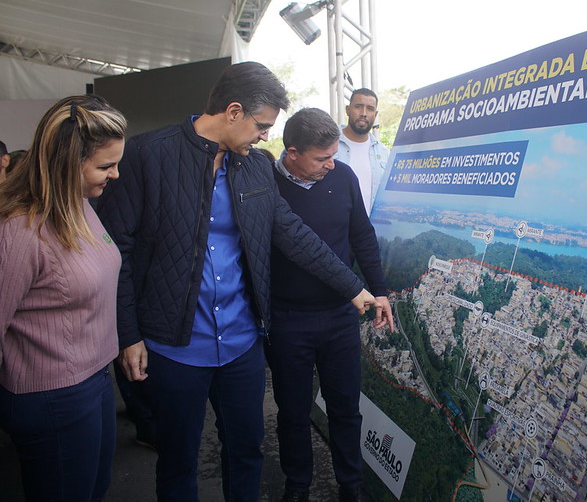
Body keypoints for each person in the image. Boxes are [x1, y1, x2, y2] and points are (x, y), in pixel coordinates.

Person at [95, 61, 380, 502]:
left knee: (247, 452)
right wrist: (127, 334)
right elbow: (118, 251)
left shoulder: (255, 167)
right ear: (232, 112)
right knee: (177, 461)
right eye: (261, 125)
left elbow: (295, 236)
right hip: (174, 346)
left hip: (242, 345)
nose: (265, 135)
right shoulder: (148, 156)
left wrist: (354, 288)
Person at [0, 95, 127, 501]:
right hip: (50, 395)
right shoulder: (20, 232)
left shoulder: (81, 203)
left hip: (93, 379)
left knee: (94, 489)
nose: (116, 174)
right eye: (106, 166)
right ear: (66, 164)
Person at [266, 108, 394, 502]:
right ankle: (298, 485)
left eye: (334, 155)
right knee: (292, 412)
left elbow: (362, 236)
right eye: (321, 158)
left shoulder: (343, 177)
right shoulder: (266, 184)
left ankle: (350, 485)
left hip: (341, 316)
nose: (330, 165)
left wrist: (380, 290)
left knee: (345, 408)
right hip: (288, 320)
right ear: (292, 153)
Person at [334, 88, 390, 213]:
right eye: (358, 107)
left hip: (370, 230)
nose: (364, 113)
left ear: (375, 115)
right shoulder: (328, 143)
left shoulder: (384, 153)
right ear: (348, 110)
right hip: (336, 228)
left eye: (370, 109)